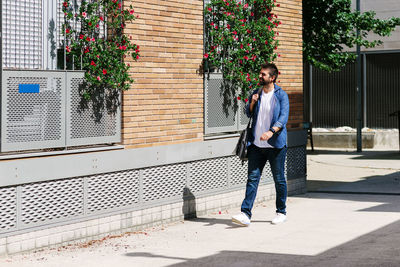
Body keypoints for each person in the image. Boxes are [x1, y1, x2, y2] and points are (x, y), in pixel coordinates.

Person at [232, 63, 289, 226]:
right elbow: (248, 113)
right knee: (252, 179)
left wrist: (271, 132)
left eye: (263, 74)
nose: (260, 76)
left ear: (272, 77)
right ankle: (245, 213)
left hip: (275, 146)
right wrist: (252, 103)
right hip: (256, 145)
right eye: (260, 74)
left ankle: (281, 211)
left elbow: (283, 118)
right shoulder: (256, 93)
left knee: (279, 179)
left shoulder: (281, 95)